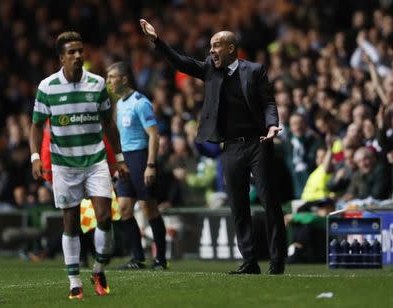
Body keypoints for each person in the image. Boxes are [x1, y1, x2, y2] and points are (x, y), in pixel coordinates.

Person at [140, 19, 286, 274]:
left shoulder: (254, 70)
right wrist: (157, 41)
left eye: (217, 45)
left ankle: (277, 260)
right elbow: (181, 62)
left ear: (231, 48)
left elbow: (268, 103)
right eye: (210, 46)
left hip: (258, 142)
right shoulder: (210, 69)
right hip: (229, 148)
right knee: (238, 206)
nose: (211, 51)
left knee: (269, 201)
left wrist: (272, 125)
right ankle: (250, 262)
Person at [29, 31, 129, 300]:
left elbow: (108, 124)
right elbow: (36, 125)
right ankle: (74, 281)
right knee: (71, 223)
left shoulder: (97, 84)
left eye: (80, 51)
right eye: (71, 52)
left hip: (95, 160)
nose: (77, 56)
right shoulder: (47, 87)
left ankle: (98, 269)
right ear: (61, 57)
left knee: (105, 217)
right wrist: (35, 157)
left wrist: (119, 159)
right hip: (64, 164)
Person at [106, 61, 167, 270]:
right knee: (124, 209)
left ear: (124, 79)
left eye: (112, 77)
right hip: (125, 160)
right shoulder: (119, 104)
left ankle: (160, 259)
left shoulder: (141, 102)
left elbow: (154, 135)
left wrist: (151, 164)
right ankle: (137, 258)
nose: (109, 82)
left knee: (148, 208)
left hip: (141, 158)